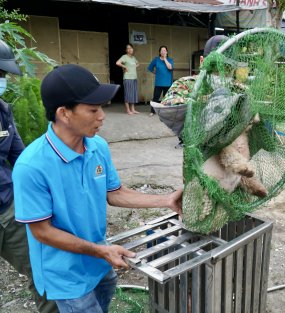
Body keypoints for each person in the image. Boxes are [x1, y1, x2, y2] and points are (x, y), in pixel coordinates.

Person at [12, 64, 182, 313]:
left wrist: (167, 200)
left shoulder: (97, 146)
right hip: (67, 276)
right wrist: (101, 251)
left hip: (101, 263)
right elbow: (42, 232)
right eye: (93, 109)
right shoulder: (31, 166)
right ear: (64, 113)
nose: (102, 116)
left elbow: (115, 193)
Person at [0, 40, 59, 313]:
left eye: (3, 76)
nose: (2, 81)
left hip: (7, 211)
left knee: (43, 273)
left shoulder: (3, 111)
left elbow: (20, 156)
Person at [147, 45, 174, 116]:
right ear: (159, 52)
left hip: (167, 83)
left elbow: (170, 68)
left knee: (167, 99)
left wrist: (165, 59)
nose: (163, 52)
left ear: (167, 52)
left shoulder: (170, 60)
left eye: (164, 50)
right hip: (158, 83)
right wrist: (155, 72)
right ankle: (152, 111)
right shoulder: (156, 60)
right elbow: (150, 68)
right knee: (155, 98)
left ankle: (166, 112)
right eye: (161, 50)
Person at [116, 43, 139, 115]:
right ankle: (128, 110)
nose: (130, 49)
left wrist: (134, 67)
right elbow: (117, 63)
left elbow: (138, 63)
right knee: (128, 94)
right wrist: (124, 67)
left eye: (131, 48)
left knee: (133, 94)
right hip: (127, 78)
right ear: (126, 50)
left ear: (133, 49)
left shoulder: (133, 58)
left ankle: (133, 109)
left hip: (134, 78)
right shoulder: (124, 57)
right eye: (128, 48)